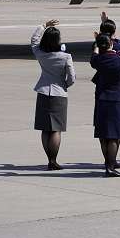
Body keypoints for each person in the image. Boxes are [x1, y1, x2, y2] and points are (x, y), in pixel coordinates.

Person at [31, 19, 75, 170]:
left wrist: (44, 25)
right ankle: (53, 160)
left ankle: (48, 158)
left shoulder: (41, 54)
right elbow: (72, 78)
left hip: (43, 91)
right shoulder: (65, 56)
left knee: (45, 128)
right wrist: (65, 85)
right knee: (56, 129)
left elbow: (34, 40)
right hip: (59, 93)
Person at [91, 33, 120, 177]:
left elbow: (93, 59)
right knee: (115, 136)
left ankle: (107, 163)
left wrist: (97, 48)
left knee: (104, 134)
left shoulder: (99, 60)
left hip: (102, 99)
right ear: (111, 43)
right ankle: (110, 165)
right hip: (118, 99)